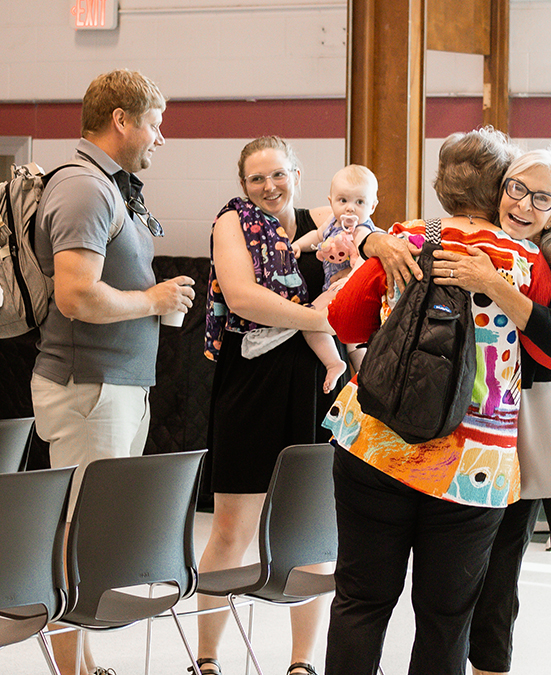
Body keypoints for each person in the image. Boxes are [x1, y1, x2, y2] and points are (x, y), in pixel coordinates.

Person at [367, 149, 551, 674]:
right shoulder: (478, 243)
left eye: (542, 197)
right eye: (516, 188)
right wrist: (374, 238)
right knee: (492, 589)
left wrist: (493, 285)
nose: (525, 204)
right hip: (497, 432)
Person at [320, 127, 551, 675]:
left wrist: (373, 245)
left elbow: (344, 320)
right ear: (501, 189)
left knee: (360, 600)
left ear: (442, 186)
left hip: (377, 442)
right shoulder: (526, 261)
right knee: (447, 617)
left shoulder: (404, 238)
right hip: (473, 462)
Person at [30, 68, 195, 675]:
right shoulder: (83, 188)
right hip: (88, 386)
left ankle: (82, 661)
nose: (160, 137)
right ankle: (69, 667)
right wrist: (153, 300)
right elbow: (76, 297)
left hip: (115, 385)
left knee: (92, 528)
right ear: (121, 120)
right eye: (154, 123)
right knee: (79, 528)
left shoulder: (113, 186)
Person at [197, 135, 343, 675]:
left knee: (309, 526)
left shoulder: (324, 222)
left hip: (313, 384)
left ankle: (302, 662)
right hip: (249, 383)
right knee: (232, 527)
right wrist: (319, 316)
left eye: (278, 174)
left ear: (297, 173)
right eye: (256, 178)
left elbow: (368, 244)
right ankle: (208, 657)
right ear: (243, 185)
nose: (268, 187)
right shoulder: (231, 222)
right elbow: (241, 297)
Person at [242, 164, 379, 386]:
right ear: (331, 201)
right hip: (339, 290)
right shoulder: (332, 224)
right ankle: (365, 378)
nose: (350, 209)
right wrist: (297, 246)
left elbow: (366, 256)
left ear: (372, 206)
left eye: (360, 202)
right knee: (353, 339)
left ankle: (337, 364)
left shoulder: (363, 230)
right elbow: (315, 235)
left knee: (312, 322)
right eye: (343, 201)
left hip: (348, 289)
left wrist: (351, 278)